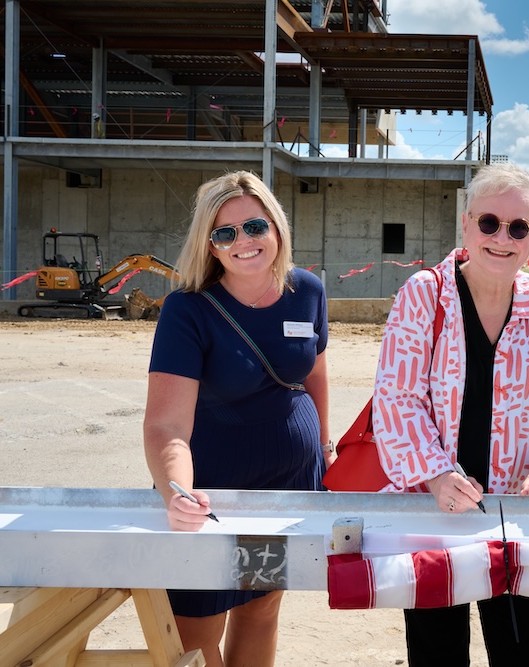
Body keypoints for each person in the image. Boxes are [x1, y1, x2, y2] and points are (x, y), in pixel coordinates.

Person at [372, 162, 529, 666]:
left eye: (518, 227)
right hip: (433, 509)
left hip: (515, 513)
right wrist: (433, 473)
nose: (502, 237)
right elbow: (397, 397)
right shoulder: (424, 295)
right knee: (437, 654)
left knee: (519, 652)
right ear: (467, 224)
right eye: (489, 222)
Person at [143, 171, 332, 667]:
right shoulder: (188, 311)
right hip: (215, 491)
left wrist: (327, 449)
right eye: (224, 233)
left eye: (254, 226)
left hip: (286, 486)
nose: (243, 242)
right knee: (197, 623)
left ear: (276, 226)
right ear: (210, 245)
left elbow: (314, 376)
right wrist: (176, 490)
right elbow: (166, 426)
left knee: (260, 607)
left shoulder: (307, 290)